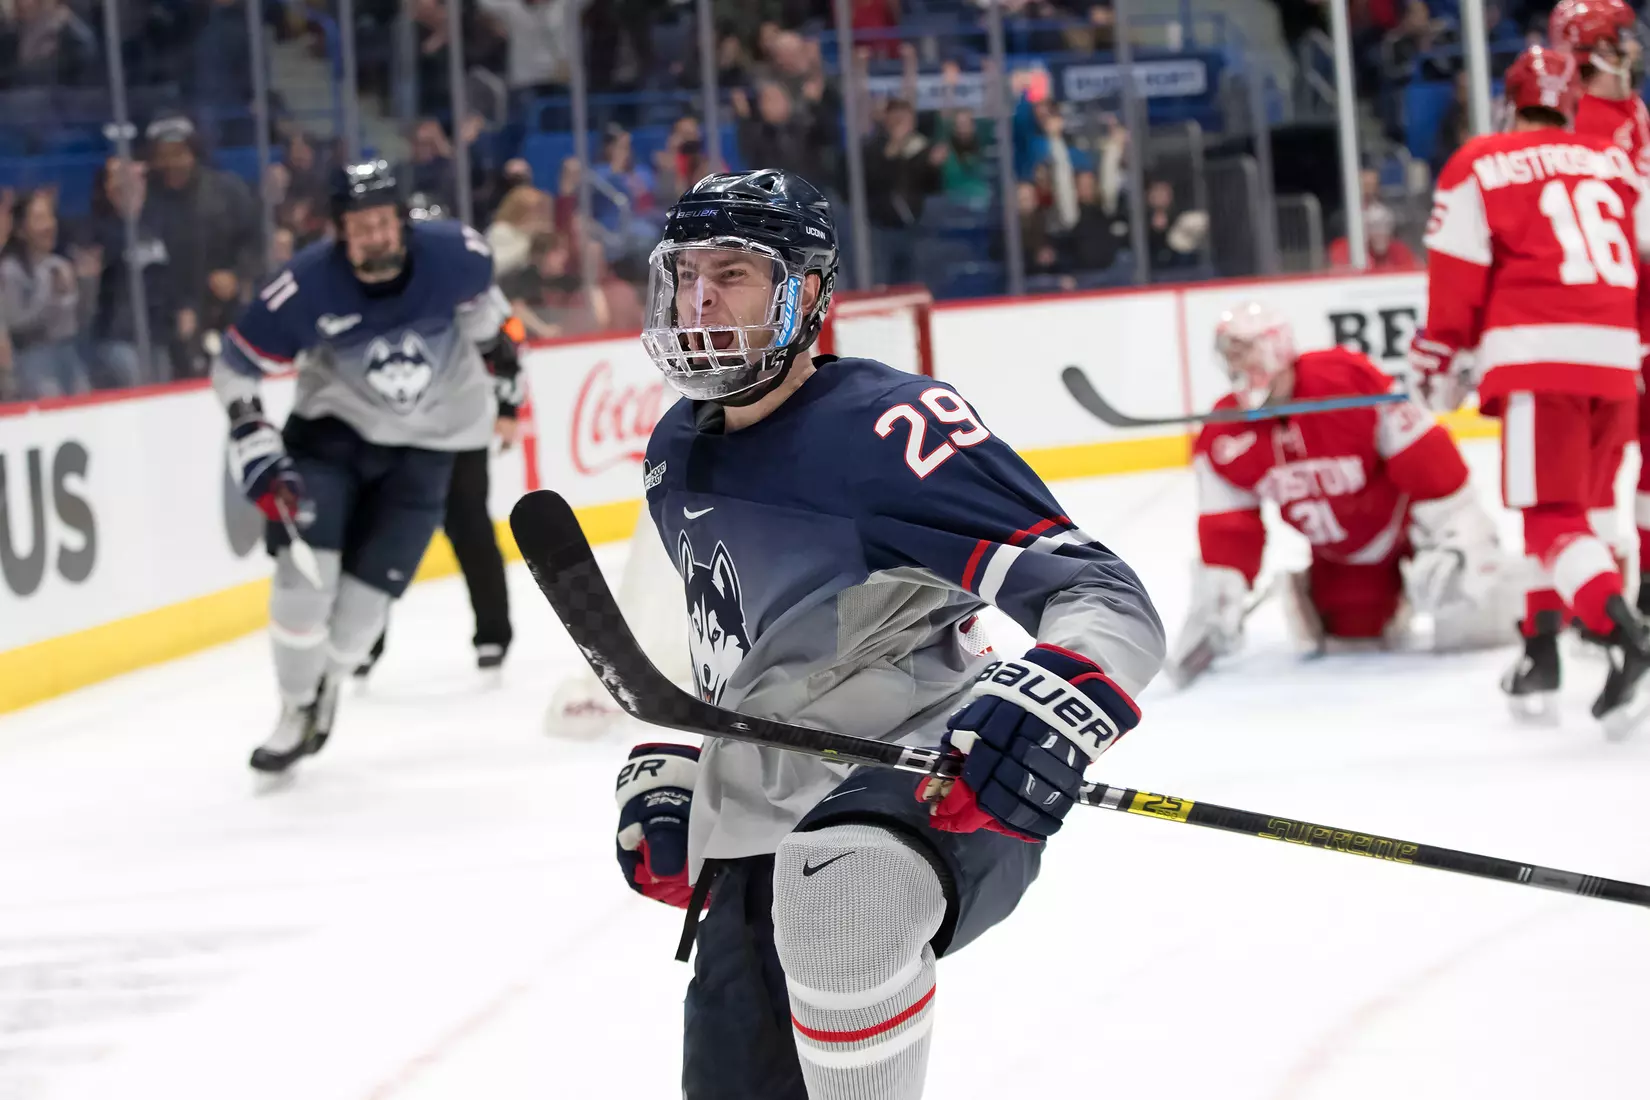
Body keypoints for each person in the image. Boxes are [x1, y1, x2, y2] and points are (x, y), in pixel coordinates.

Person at [617, 169, 1164, 1099]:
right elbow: (741, 645)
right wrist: (686, 762)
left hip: (936, 782)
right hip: (767, 823)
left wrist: (1052, 700)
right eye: (687, 273)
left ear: (805, 295)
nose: (700, 298)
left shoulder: (889, 428)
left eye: (734, 273)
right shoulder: (678, 448)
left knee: (846, 887)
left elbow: (1100, 591)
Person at [212, 161, 512, 774]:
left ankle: (326, 686)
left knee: (358, 621)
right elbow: (234, 365)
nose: (373, 237)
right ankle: (294, 708)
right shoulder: (305, 285)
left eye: (381, 223)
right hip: (332, 439)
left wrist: (509, 392)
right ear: (340, 231)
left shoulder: (456, 256)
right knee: (304, 582)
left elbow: (491, 331)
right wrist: (250, 434)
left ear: (401, 222)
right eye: (358, 226)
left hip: (428, 451)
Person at [1413, 45, 1650, 735]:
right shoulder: (1614, 161)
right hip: (1618, 362)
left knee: (1549, 517)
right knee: (1578, 510)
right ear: (1571, 104)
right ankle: (1541, 646)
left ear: (1508, 103)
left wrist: (1440, 356)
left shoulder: (1480, 161)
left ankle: (1623, 633)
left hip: (1539, 359)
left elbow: (1456, 275)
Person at [1174, 304, 1512, 683]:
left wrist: (1461, 539)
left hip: (1407, 526)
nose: (1236, 364)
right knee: (1353, 630)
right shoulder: (1225, 432)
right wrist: (1219, 596)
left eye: (1244, 352)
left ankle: (1525, 592)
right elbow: (1229, 527)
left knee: (1469, 604)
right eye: (1230, 355)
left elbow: (1427, 459)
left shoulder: (1342, 379)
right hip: (1345, 556)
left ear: (1275, 347)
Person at [355, 198, 524, 678]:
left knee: (469, 527)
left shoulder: (466, 282)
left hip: (457, 427)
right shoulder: (378, 288)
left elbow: (506, 342)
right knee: (377, 532)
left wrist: (507, 408)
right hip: (391, 428)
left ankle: (493, 633)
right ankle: (365, 638)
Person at [1551, 0, 1650, 610]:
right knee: (1597, 465)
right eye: (1621, 39)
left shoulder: (1631, 108)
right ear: (1596, 50)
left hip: (1641, 312)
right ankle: (1601, 601)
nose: (1633, 49)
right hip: (1609, 320)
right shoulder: (1580, 122)